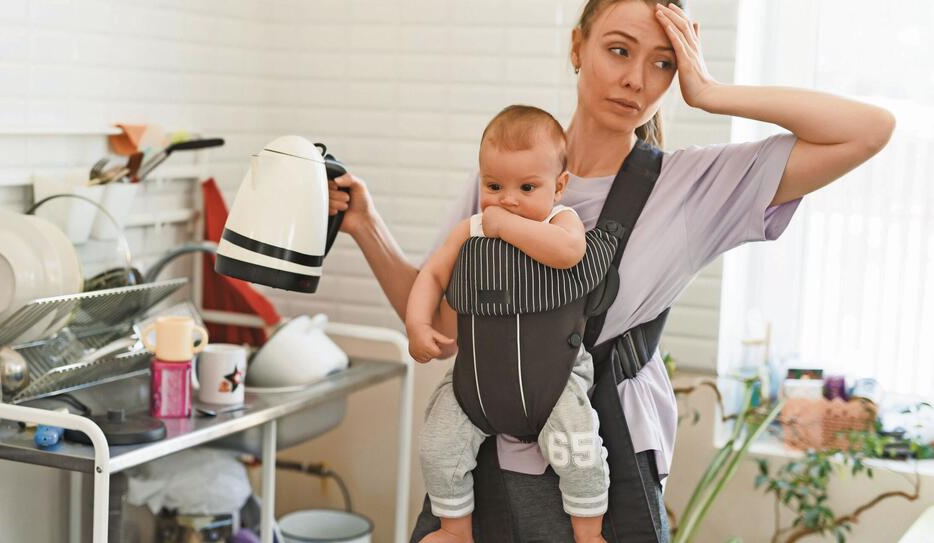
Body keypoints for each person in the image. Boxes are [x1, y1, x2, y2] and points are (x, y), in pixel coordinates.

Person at [328, 0, 895, 540]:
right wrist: (367, 227)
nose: (636, 79)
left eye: (662, 63)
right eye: (619, 51)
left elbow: (868, 129)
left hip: (596, 476)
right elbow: (446, 328)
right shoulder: (507, 179)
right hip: (482, 468)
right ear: (577, 47)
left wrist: (712, 92)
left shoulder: (691, 188)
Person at [407, 105, 608, 543]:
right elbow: (434, 274)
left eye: (527, 187)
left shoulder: (561, 220)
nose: (508, 198)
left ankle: (589, 533)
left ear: (559, 187)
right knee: (438, 446)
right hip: (478, 381)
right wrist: (417, 323)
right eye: (494, 186)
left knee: (578, 450)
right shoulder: (471, 229)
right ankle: (455, 531)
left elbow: (569, 253)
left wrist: (504, 224)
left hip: (551, 381)